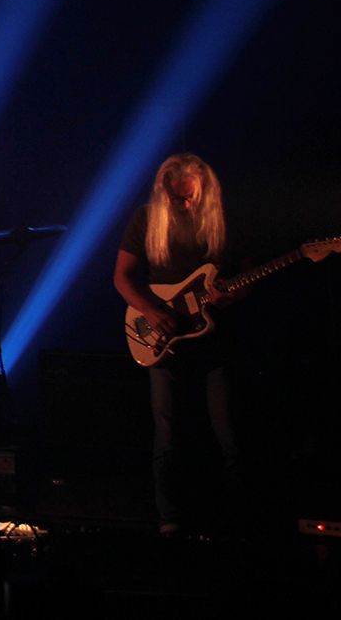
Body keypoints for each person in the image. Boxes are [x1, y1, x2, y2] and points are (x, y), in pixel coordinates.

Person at [113, 152, 242, 536]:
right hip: (165, 339)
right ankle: (168, 519)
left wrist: (231, 296)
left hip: (213, 338)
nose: (183, 204)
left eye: (189, 197)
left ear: (205, 191)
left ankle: (236, 519)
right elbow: (122, 277)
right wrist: (151, 312)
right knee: (166, 429)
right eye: (175, 198)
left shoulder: (223, 222)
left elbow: (243, 277)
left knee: (229, 431)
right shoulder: (146, 218)